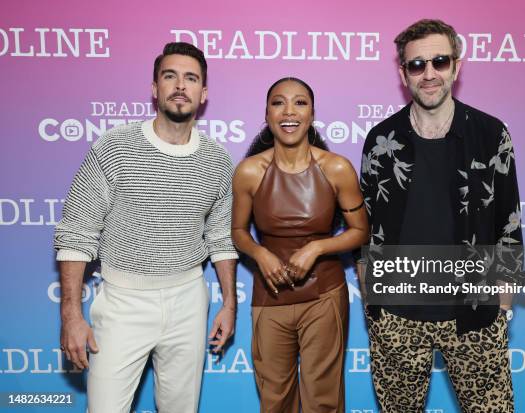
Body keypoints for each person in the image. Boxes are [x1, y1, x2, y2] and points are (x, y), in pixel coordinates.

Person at [54, 42, 238, 413]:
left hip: (189, 298)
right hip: (123, 302)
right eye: (170, 76)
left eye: (191, 78)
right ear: (155, 88)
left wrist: (230, 302)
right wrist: (71, 315)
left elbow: (220, 238)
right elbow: (77, 233)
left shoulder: (217, 160)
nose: (180, 86)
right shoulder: (115, 147)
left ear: (204, 93)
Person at [357, 19, 525, 412]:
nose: (429, 73)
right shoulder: (382, 141)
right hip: (396, 316)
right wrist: (374, 307)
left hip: (476, 314)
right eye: (417, 65)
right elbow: (365, 229)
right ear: (403, 73)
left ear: (457, 65)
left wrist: (502, 305)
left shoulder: (490, 133)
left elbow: (509, 219)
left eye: (439, 61)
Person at [232, 77, 368, 413]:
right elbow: (237, 231)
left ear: (312, 114)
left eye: (300, 103)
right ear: (266, 113)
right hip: (270, 295)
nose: (289, 111)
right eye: (279, 102)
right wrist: (259, 252)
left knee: (323, 400)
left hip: (324, 296)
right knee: (274, 400)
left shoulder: (336, 168)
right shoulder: (249, 171)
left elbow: (361, 231)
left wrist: (317, 248)